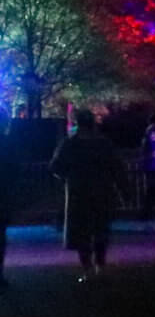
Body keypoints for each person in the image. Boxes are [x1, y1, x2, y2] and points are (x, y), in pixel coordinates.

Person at [49, 108, 119, 276]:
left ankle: (87, 266)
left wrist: (67, 177)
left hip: (78, 191)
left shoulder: (69, 143)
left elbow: (55, 166)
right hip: (101, 191)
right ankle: (100, 264)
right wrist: (123, 189)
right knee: (100, 228)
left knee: (81, 230)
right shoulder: (103, 143)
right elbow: (116, 167)